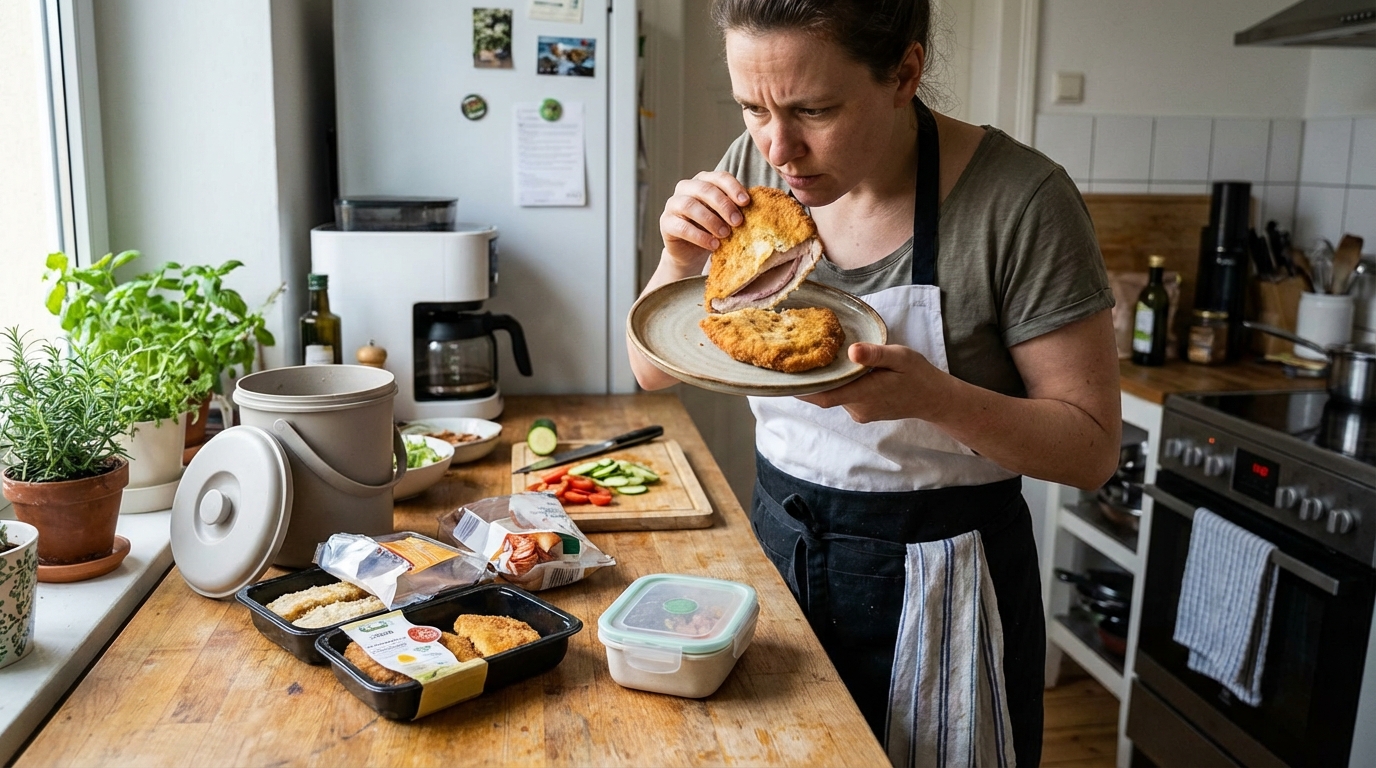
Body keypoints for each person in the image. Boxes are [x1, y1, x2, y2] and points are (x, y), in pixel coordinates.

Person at [628, 1, 1122, 764]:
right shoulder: (753, 170)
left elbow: (1090, 451)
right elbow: (652, 368)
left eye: (814, 110)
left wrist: (933, 400)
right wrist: (678, 259)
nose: (778, 148)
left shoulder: (1019, 203)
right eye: (751, 107)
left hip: (944, 578)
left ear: (905, 74)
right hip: (781, 543)